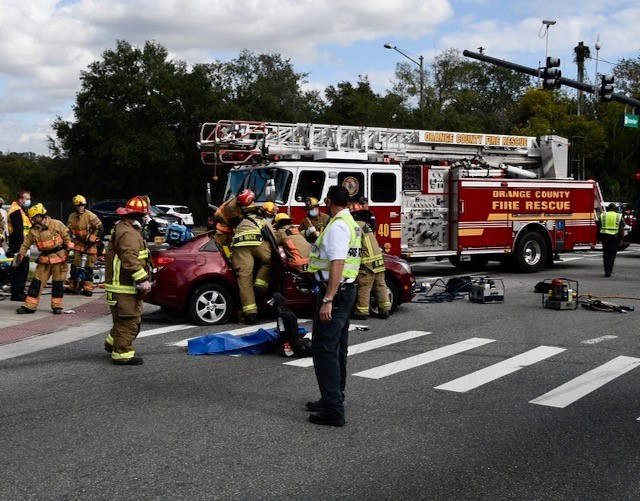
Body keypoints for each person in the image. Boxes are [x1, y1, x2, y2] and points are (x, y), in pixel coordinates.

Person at [306, 185, 362, 427]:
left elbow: (338, 263)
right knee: (337, 347)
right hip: (345, 291)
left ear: (328, 202)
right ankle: (332, 397)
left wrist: (328, 299)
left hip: (336, 293)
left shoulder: (338, 225)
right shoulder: (349, 222)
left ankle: (333, 409)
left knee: (324, 349)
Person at [103, 196, 152, 365]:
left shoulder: (125, 229)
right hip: (123, 288)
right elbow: (130, 259)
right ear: (137, 217)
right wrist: (143, 279)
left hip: (120, 287)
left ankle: (112, 344)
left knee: (121, 321)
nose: (146, 219)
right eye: (144, 216)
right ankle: (122, 354)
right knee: (129, 323)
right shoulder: (129, 233)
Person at [14, 203, 73, 315]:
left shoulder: (56, 224)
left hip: (59, 258)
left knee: (58, 283)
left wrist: (71, 251)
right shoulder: (33, 231)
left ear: (41, 215)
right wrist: (20, 256)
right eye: (32, 218)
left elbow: (67, 238)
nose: (33, 219)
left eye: (35, 217)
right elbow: (25, 244)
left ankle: (57, 306)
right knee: (36, 282)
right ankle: (29, 306)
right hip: (45, 259)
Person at [230, 202, 278, 325]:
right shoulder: (263, 221)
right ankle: (260, 286)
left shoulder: (240, 223)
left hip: (240, 247)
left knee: (244, 278)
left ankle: (250, 313)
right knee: (269, 260)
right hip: (258, 244)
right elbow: (274, 241)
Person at [352, 208, 391, 320]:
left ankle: (361, 312)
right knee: (380, 285)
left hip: (367, 261)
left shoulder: (357, 225)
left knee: (364, 286)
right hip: (378, 260)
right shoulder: (367, 226)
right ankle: (385, 310)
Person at [66, 194, 104, 296]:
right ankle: (73, 286)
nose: (80, 207)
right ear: (75, 206)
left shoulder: (90, 216)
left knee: (89, 268)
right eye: (78, 206)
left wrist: (93, 238)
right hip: (78, 244)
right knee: (75, 266)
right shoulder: (71, 217)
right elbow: (69, 231)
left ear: (85, 205)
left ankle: (87, 289)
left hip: (90, 246)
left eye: (82, 205)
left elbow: (100, 228)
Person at [211, 189, 256, 259]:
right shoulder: (231, 207)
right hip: (222, 230)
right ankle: (227, 261)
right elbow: (235, 221)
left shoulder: (238, 202)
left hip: (228, 229)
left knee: (230, 247)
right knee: (224, 247)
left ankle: (230, 259)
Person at [6, 190, 32, 301]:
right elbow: (18, 231)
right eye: (27, 199)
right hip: (20, 246)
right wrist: (23, 247)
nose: (29, 201)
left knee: (20, 269)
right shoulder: (16, 211)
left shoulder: (20, 210)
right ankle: (18, 293)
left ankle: (18, 292)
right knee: (20, 270)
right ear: (20, 199)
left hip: (21, 245)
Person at [599, 202, 625, 277]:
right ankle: (609, 270)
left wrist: (598, 238)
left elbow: (598, 227)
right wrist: (622, 239)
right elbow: (621, 229)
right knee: (612, 255)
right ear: (615, 209)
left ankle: (606, 270)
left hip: (605, 237)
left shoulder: (603, 215)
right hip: (614, 237)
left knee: (605, 254)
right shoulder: (618, 216)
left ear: (608, 209)